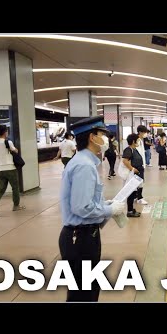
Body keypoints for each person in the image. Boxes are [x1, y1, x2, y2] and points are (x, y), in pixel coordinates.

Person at [59, 116, 125, 302]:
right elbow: (81, 207)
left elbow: (87, 202)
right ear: (91, 137)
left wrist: (105, 206)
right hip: (80, 239)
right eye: (101, 134)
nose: (104, 139)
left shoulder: (82, 162)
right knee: (84, 293)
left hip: (82, 237)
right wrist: (109, 211)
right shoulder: (84, 166)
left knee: (84, 290)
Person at [0, 125, 25, 217]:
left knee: (1, 189)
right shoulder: (8, 142)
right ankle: (16, 206)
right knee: (15, 187)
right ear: (5, 132)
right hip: (10, 168)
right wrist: (15, 149)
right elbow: (15, 151)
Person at [121, 133, 145, 217]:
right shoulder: (128, 150)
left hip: (136, 174)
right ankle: (130, 211)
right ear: (133, 141)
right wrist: (133, 169)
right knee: (131, 193)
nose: (138, 141)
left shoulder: (134, 149)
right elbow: (125, 160)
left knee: (134, 192)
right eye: (137, 140)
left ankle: (131, 209)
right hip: (132, 175)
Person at [135, 125, 149, 205]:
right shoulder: (137, 140)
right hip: (139, 165)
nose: (145, 134)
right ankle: (139, 198)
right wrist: (140, 165)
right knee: (140, 182)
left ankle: (136, 196)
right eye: (145, 132)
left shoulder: (140, 140)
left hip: (141, 164)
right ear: (140, 132)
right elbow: (138, 153)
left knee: (139, 181)